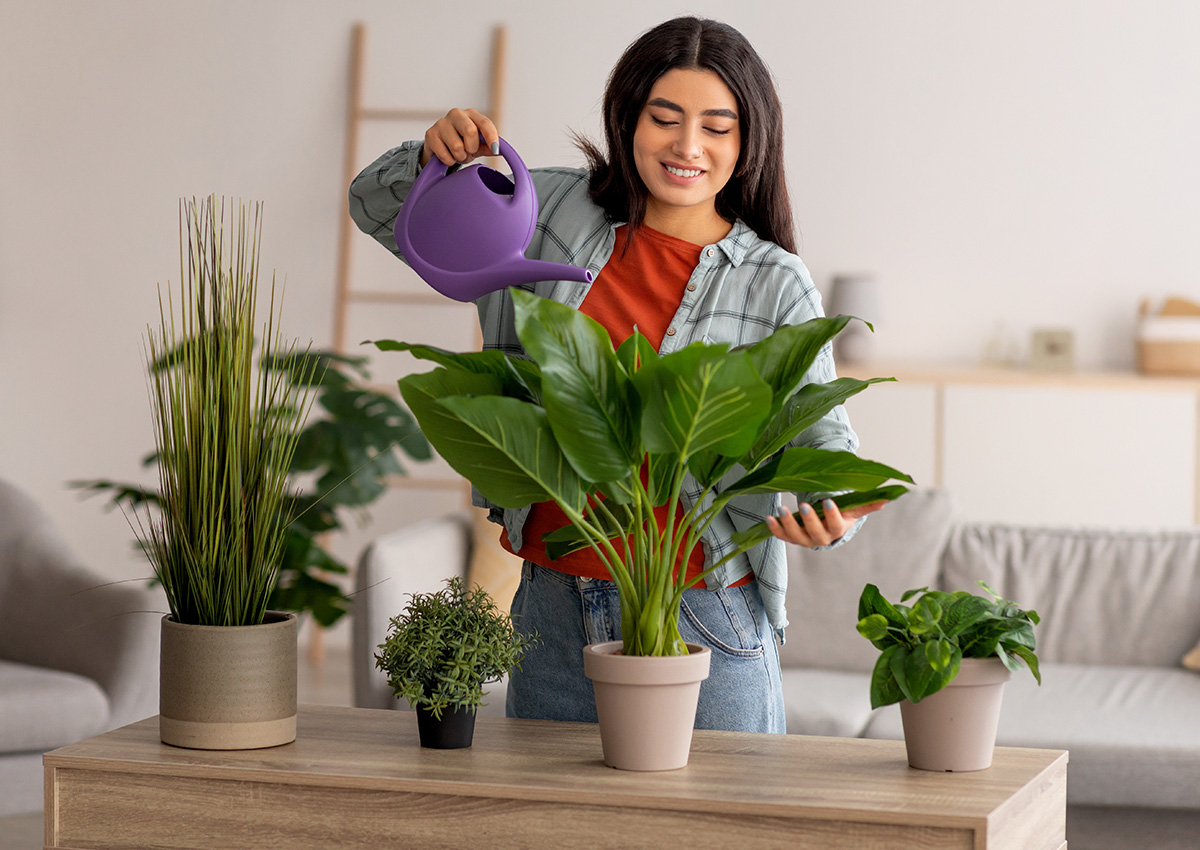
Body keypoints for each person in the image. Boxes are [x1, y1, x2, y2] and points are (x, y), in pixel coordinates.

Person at [349, 16, 885, 734]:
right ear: (627, 118)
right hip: (551, 606)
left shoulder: (774, 282)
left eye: (716, 127)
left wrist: (831, 513)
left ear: (749, 140)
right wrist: (431, 159)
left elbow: (829, 452)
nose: (688, 146)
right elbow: (376, 207)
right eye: (664, 118)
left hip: (701, 614)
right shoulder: (555, 212)